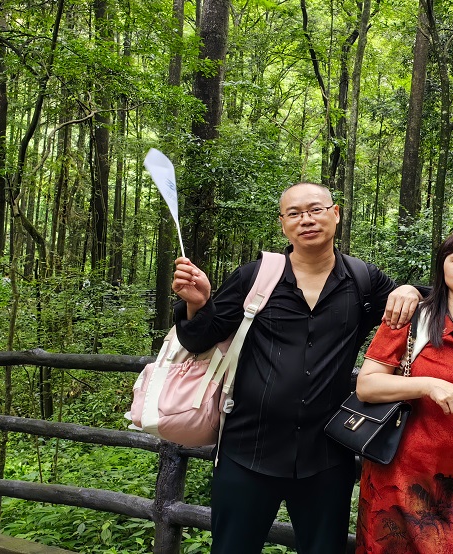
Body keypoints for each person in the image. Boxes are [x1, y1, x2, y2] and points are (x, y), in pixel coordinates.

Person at [171, 182, 421, 554]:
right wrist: (198, 303)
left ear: (336, 214)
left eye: (316, 209)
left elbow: (431, 308)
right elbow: (198, 339)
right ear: (283, 223)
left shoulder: (363, 280)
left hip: (326, 457)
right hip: (247, 452)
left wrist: (411, 289)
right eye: (295, 213)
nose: (306, 220)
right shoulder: (255, 277)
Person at [355, 229, 453, 554]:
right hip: (401, 480)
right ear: (442, 268)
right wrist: (428, 385)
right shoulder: (410, 319)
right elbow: (367, 385)